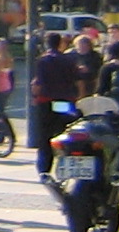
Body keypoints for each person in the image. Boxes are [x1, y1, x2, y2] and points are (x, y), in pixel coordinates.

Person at [33, 31, 82, 176]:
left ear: (46, 44)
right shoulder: (68, 60)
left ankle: (44, 167)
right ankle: (65, 164)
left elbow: (39, 82)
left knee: (45, 134)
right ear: (60, 43)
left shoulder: (43, 60)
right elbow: (77, 79)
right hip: (65, 100)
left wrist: (35, 96)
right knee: (64, 132)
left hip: (46, 100)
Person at [67, 27, 104, 100]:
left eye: (85, 45)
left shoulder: (95, 55)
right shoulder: (70, 54)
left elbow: (99, 69)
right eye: (80, 45)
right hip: (73, 77)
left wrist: (89, 69)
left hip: (91, 77)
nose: (82, 47)